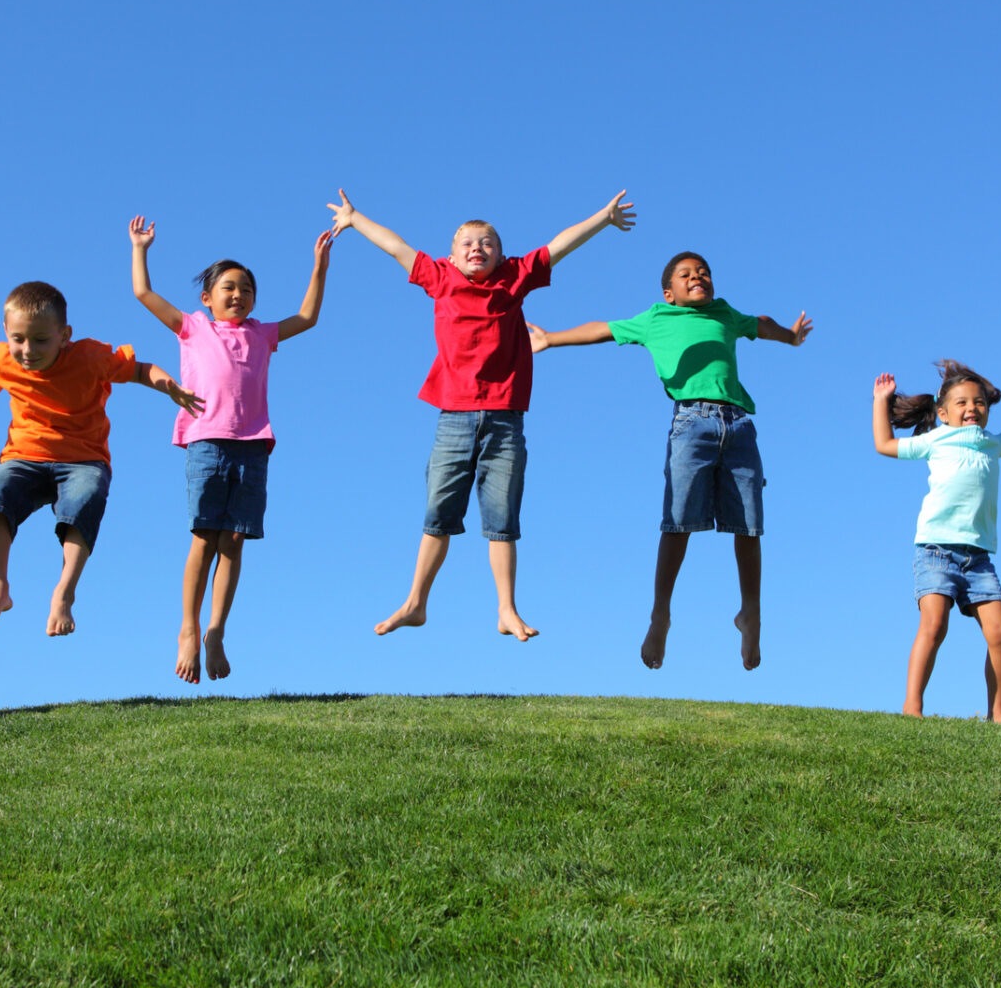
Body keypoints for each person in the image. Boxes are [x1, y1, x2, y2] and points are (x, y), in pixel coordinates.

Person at [328, 187, 635, 640]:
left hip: (505, 419)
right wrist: (355, 219)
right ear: (451, 257)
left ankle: (506, 610)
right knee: (438, 514)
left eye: (488, 242)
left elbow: (559, 244)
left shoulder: (514, 277)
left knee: (502, 520)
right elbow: (396, 246)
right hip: (453, 416)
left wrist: (603, 218)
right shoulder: (439, 277)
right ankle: (415, 603)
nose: (478, 248)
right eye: (468, 243)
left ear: (502, 254)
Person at [530, 251, 811, 670]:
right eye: (686, 275)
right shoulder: (656, 318)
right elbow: (603, 329)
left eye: (704, 273)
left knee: (748, 525)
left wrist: (789, 336)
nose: (698, 277)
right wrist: (551, 337)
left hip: (738, 425)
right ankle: (660, 614)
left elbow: (760, 324)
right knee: (678, 521)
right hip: (691, 424)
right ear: (670, 293)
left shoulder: (724, 314)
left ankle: (750, 613)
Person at [129, 216, 334, 683]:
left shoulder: (261, 334)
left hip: (253, 446)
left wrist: (318, 266)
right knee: (204, 536)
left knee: (234, 541)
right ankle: (188, 628)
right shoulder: (194, 328)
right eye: (228, 287)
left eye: (246, 288)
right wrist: (140, 250)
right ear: (207, 298)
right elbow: (144, 294)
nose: (238, 294)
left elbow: (307, 318)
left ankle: (216, 631)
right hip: (206, 441)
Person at [0, 279, 201, 637]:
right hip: (25, 456)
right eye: (18, 339)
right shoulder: (0, 356)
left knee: (84, 499)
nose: (27, 350)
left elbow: (141, 369)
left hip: (83, 461)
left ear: (64, 335)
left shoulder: (91, 358)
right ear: (6, 330)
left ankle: (64, 593)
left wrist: (169, 386)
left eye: (40, 340)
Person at [871, 361, 1001, 724]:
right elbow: (884, 444)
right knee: (934, 625)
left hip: (978, 559)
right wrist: (880, 402)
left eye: (979, 402)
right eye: (961, 403)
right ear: (943, 413)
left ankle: (998, 711)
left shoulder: (993, 444)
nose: (972, 408)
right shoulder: (936, 439)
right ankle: (912, 707)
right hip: (935, 551)